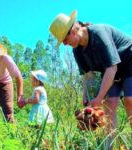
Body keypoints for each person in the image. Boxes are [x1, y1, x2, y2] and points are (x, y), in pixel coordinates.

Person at [49, 10, 132, 149]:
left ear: (73, 32)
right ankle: (110, 146)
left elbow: (112, 68)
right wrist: (86, 97)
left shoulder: (98, 34)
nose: (64, 44)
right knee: (110, 104)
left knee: (130, 101)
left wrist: (98, 97)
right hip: (111, 70)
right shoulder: (77, 51)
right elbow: (88, 76)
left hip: (128, 61)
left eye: (64, 39)